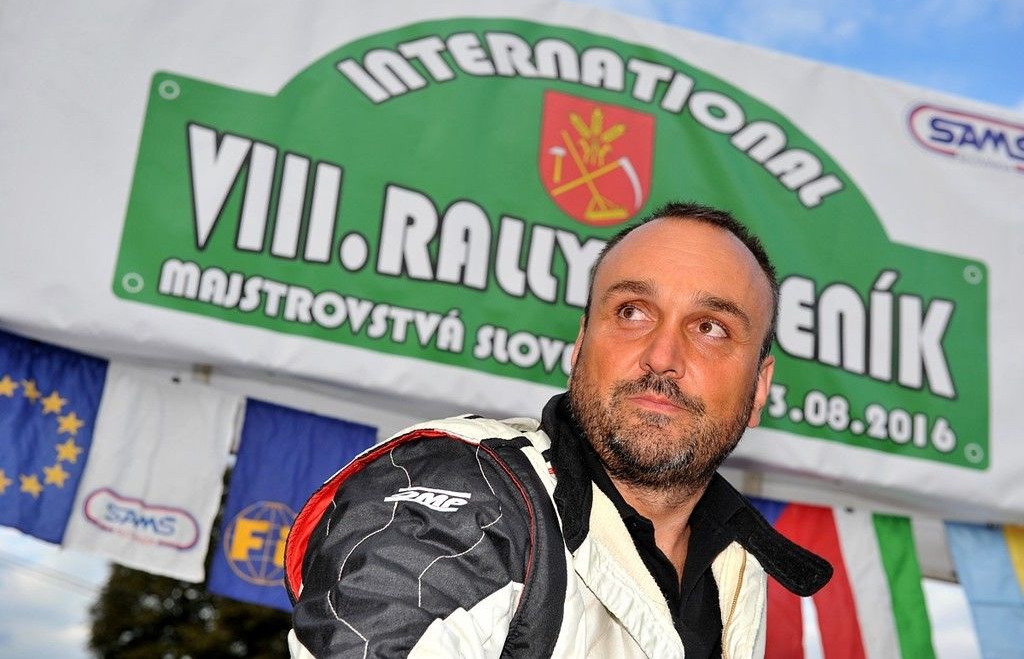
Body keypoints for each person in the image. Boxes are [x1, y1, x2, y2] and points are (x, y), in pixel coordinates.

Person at [284, 201, 833, 658]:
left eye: (710, 327)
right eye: (632, 312)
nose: (663, 356)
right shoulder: (469, 494)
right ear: (580, 344)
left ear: (759, 388)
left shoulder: (734, 574)